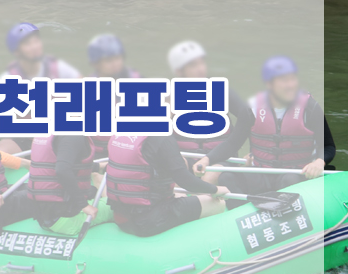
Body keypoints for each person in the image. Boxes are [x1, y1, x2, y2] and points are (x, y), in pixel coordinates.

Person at [194, 56, 327, 204]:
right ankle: (242, 215)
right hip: (262, 173)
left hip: (295, 173)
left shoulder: (310, 108)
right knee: (227, 177)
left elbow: (327, 145)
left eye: (292, 79)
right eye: (284, 81)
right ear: (269, 84)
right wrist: (207, 159)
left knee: (289, 180)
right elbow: (232, 143)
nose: (290, 85)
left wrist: (319, 162)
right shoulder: (252, 108)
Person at [106, 134, 228, 238]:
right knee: (217, 203)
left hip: (121, 218)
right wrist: (215, 189)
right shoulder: (162, 138)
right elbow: (186, 181)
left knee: (179, 194)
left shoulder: (120, 133)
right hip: (148, 221)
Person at [167, 40, 253, 184]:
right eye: (193, 65)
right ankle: (179, 195)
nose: (201, 69)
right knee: (174, 169)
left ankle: (204, 195)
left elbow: (248, 117)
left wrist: (252, 151)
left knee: (209, 176)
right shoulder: (169, 96)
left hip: (220, 159)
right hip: (186, 159)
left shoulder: (221, 91)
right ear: (179, 71)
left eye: (202, 63)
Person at [0, 22, 81, 153]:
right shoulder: (8, 78)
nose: (35, 47)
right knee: (0, 150)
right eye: (27, 44)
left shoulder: (57, 68)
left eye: (36, 41)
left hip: (58, 138)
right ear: (17, 51)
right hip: (26, 139)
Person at [25, 135, 113, 235]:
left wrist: (98, 167)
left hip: (45, 218)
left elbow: (55, 164)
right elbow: (62, 170)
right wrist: (84, 205)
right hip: (66, 218)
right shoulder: (73, 136)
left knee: (92, 191)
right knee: (114, 206)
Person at [87, 33, 142, 159]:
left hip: (130, 147)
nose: (115, 63)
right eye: (108, 60)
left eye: (117, 58)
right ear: (96, 63)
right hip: (99, 150)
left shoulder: (135, 79)